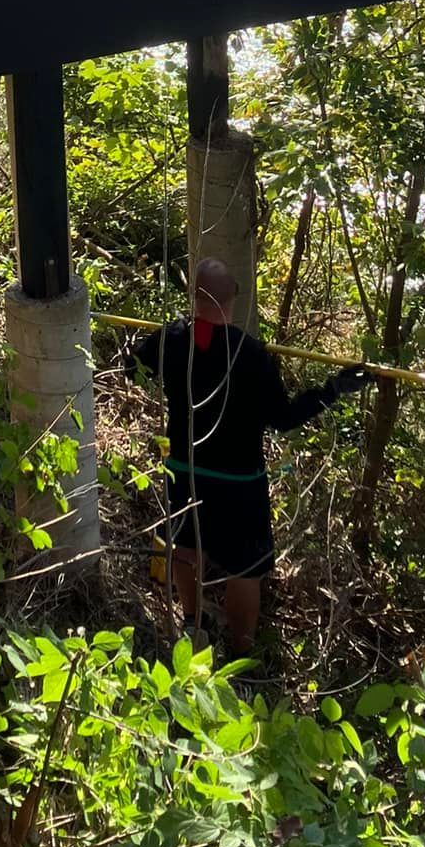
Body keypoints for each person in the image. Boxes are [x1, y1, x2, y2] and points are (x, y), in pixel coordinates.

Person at [130, 257, 366, 655]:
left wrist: (148, 362)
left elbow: (132, 367)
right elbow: (284, 418)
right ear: (233, 301)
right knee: (245, 568)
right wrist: (333, 389)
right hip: (238, 481)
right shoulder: (251, 354)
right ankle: (241, 653)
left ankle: (192, 624)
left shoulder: (170, 338)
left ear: (194, 296)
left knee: (187, 545)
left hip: (183, 469)